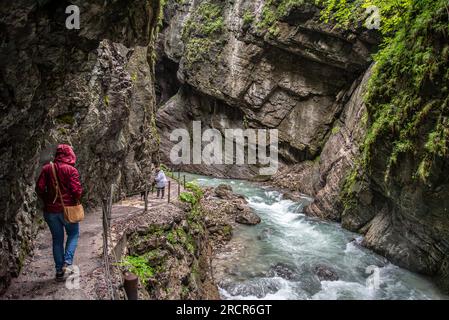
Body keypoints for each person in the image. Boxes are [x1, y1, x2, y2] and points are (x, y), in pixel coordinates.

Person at [36, 144, 83, 282]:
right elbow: (77, 191)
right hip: (68, 211)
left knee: (57, 240)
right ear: (69, 154)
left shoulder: (46, 168)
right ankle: (67, 263)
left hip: (51, 212)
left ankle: (58, 272)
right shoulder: (71, 170)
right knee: (73, 234)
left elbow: (39, 188)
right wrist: (75, 200)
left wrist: (47, 200)